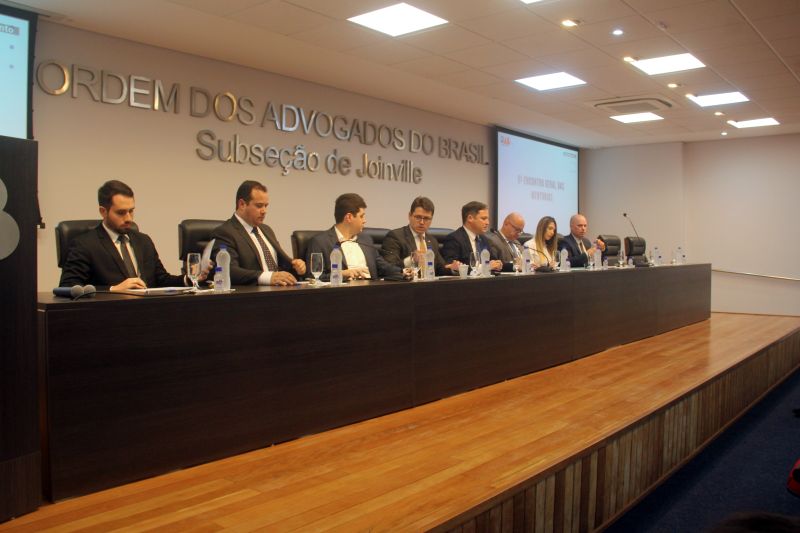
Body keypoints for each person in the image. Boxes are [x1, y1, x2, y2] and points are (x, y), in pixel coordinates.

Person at [59, 180, 210, 291]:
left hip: (147, 313)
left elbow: (161, 280)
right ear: (103, 211)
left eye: (131, 211)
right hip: (107, 315)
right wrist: (113, 289)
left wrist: (190, 278)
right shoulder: (85, 244)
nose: (129, 218)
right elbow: (68, 287)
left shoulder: (143, 241)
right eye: (121, 212)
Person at [211, 180, 305, 286]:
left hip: (280, 290)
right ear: (242, 204)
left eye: (266, 206)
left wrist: (296, 266)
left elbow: (282, 264)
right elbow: (228, 271)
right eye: (259, 206)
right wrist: (268, 277)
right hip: (252, 293)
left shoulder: (267, 230)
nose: (264, 211)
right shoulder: (225, 232)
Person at [306, 193, 405, 281]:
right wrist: (342, 274)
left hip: (372, 290)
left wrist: (404, 271)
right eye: (361, 216)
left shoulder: (366, 240)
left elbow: (383, 267)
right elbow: (313, 277)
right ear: (349, 217)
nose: (364, 220)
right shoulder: (320, 242)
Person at [381, 196, 460, 276]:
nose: (422, 222)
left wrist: (451, 268)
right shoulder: (395, 237)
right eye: (418, 217)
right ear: (409, 216)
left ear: (431, 219)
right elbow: (388, 267)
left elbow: (439, 268)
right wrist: (411, 260)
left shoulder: (432, 241)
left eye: (426, 218)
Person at [441, 201, 502, 271]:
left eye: (487, 219)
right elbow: (452, 267)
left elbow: (492, 261)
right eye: (483, 218)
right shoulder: (454, 239)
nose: (487, 223)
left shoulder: (484, 239)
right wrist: (484, 267)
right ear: (470, 218)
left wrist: (497, 264)